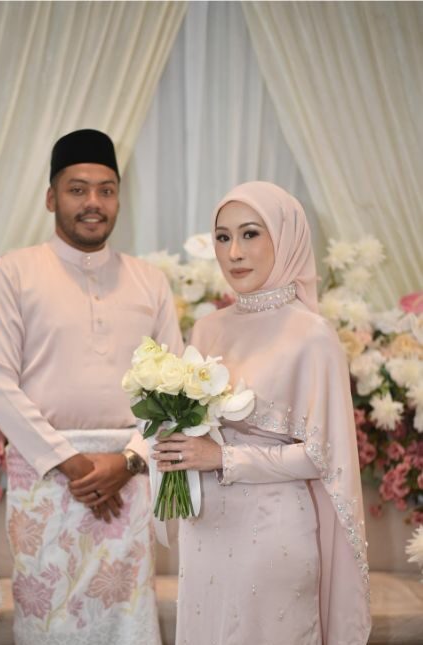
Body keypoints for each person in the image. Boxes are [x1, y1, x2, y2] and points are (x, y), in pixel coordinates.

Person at [0, 129, 183, 645]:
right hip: (47, 476)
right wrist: (71, 464)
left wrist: (129, 461)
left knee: (126, 623)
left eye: (106, 190)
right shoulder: (13, 273)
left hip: (127, 478)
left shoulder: (150, 281)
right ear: (51, 197)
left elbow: (175, 390)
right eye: (78, 189)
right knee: (50, 623)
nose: (93, 202)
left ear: (118, 200)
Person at [152, 181, 371, 644]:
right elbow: (196, 426)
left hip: (273, 536)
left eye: (250, 233)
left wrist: (223, 457)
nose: (234, 252)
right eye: (223, 237)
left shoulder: (313, 335)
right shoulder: (207, 329)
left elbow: (321, 456)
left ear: (285, 237)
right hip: (205, 530)